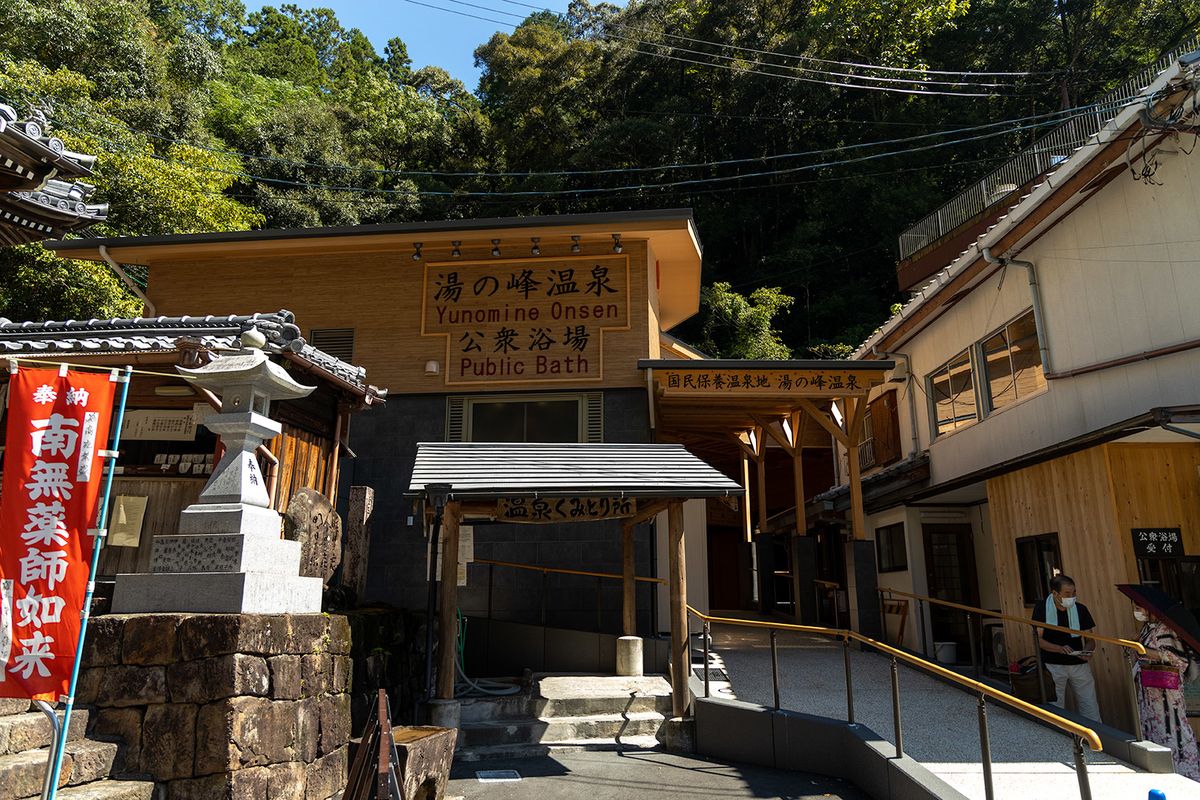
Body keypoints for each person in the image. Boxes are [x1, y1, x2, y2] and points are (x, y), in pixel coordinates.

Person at [1132, 600, 1200, 780]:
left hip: (1165, 691)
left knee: (1174, 727)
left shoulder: (1164, 629)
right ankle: (1162, 769)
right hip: (1149, 688)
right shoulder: (1148, 628)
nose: (1135, 611)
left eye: (1138, 607)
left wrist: (1142, 649)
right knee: (1153, 726)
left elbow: (1177, 658)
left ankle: (1185, 770)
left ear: (1149, 608)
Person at [1031, 574, 1101, 721]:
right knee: (1055, 707)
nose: (1072, 596)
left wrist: (1087, 651)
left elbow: (1090, 640)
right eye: (1067, 594)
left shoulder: (1081, 609)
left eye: (1074, 592)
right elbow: (1038, 640)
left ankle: (1096, 740)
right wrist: (1058, 648)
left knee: (1090, 705)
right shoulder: (1042, 608)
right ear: (1055, 593)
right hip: (1052, 665)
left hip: (1079, 664)